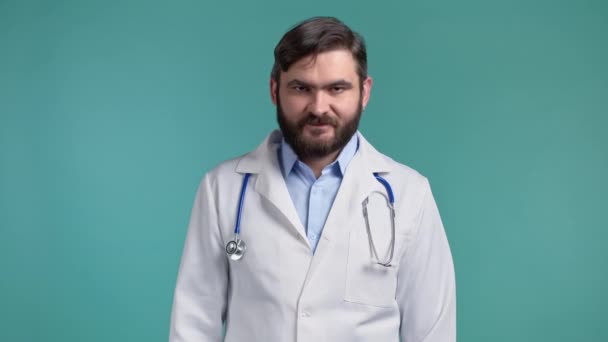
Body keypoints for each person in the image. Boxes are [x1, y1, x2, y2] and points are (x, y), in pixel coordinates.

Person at [169, 16, 456, 342]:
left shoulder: (409, 195)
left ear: (364, 92)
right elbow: (192, 326)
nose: (319, 107)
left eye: (337, 88)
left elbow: (433, 333)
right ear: (275, 89)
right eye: (302, 88)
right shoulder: (223, 190)